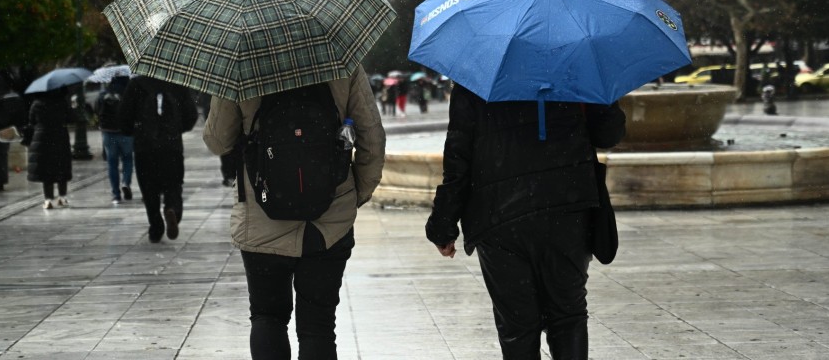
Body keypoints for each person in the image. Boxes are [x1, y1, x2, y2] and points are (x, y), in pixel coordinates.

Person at [425, 83, 626, 360]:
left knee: (518, 327)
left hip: (500, 217)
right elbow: (609, 133)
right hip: (566, 208)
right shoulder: (575, 65)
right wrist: (603, 96)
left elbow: (458, 158)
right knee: (567, 317)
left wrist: (443, 225)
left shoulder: (477, 73)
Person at [202, 66, 385, 360]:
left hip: (262, 218)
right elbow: (371, 136)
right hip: (329, 222)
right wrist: (354, 193)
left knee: (267, 317)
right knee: (318, 327)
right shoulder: (341, 57)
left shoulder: (239, 62)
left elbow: (217, 140)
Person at [119, 76, 198, 243]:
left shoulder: (136, 84)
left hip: (145, 147)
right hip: (171, 146)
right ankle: (172, 209)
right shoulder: (177, 83)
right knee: (174, 184)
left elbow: (124, 116)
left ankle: (156, 226)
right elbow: (191, 115)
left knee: (149, 189)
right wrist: (175, 129)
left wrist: (134, 129)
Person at [21, 88, 73, 209]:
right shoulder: (62, 102)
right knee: (61, 167)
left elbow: (31, 121)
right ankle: (62, 197)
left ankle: (48, 199)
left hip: (42, 137)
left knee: (46, 169)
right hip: (60, 137)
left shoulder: (37, 103)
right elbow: (71, 118)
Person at [96, 75, 134, 204]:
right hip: (125, 132)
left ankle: (116, 195)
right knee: (127, 159)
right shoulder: (129, 93)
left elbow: (97, 111)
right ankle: (126, 182)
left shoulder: (103, 94)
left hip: (108, 133)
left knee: (112, 163)